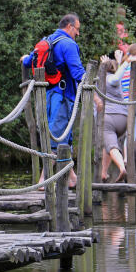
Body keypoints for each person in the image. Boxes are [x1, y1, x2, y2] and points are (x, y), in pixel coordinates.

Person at [22, 13, 85, 185]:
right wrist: (94, 92)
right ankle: (44, 179)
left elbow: (29, 61)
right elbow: (77, 72)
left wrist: (24, 59)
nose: (78, 34)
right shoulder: (68, 44)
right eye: (77, 29)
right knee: (57, 138)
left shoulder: (48, 40)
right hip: (63, 96)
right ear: (70, 26)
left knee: (62, 137)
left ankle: (71, 177)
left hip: (48, 95)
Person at [97, 52, 128, 182]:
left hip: (108, 118)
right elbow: (117, 74)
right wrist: (119, 61)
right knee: (108, 145)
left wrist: (103, 65)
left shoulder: (102, 80)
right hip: (123, 118)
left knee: (112, 146)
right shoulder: (118, 81)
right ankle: (104, 173)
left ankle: (122, 168)